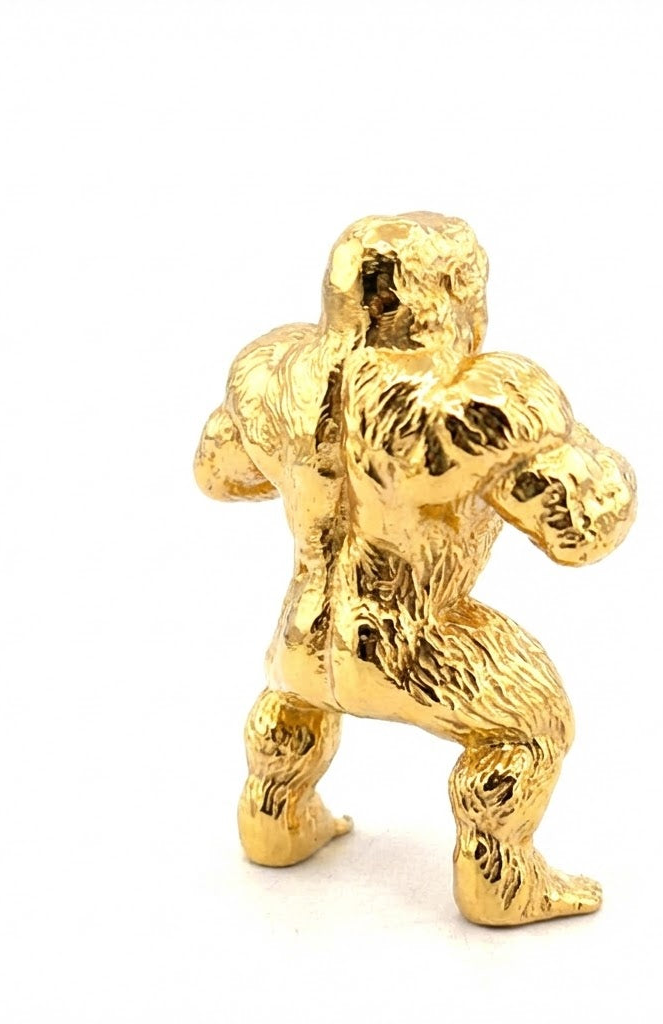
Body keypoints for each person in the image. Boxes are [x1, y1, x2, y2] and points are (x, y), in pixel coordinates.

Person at [194, 212, 636, 925]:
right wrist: (574, 448)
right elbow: (582, 533)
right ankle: (501, 881)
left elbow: (218, 474)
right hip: (417, 643)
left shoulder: (268, 373)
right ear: (457, 291)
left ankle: (275, 823)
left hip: (303, 633)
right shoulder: (484, 401)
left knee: (291, 701)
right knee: (532, 725)